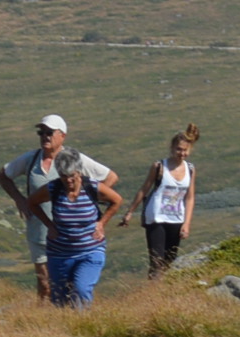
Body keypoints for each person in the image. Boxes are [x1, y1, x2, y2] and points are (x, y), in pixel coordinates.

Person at [0, 114, 112, 299]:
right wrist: (19, 199)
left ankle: (72, 317)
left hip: (74, 238)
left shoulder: (75, 159)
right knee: (45, 284)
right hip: (40, 231)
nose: (45, 136)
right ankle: (47, 320)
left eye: (50, 132)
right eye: (41, 132)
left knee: (76, 285)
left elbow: (109, 177)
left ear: (62, 135)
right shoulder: (31, 159)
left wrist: (87, 202)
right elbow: (3, 174)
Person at [43, 150, 122, 305]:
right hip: (59, 253)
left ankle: (83, 323)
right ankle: (63, 326)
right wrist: (49, 225)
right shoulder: (54, 188)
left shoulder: (91, 186)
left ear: (79, 172)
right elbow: (32, 202)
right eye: (64, 176)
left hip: (90, 250)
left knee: (81, 289)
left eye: (72, 175)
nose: (69, 180)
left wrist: (101, 223)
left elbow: (117, 201)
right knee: (59, 298)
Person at [134, 125, 201, 275]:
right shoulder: (159, 167)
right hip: (156, 217)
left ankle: (163, 291)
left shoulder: (190, 169)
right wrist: (130, 211)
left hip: (176, 218)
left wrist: (187, 223)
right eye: (179, 149)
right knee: (156, 260)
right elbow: (144, 188)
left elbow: (190, 197)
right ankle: (153, 291)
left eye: (185, 150)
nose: (182, 153)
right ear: (172, 148)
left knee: (170, 260)